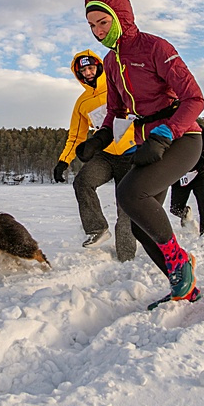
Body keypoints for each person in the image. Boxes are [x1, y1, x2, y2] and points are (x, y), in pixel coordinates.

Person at [77, 0, 204, 308]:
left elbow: (194, 98)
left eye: (102, 22)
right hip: (148, 140)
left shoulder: (155, 48)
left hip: (183, 137)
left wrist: (164, 134)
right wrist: (100, 139)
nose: (97, 31)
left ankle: (180, 264)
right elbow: (116, 112)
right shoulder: (109, 62)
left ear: (120, 17)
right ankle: (184, 288)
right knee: (137, 221)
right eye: (91, 25)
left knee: (130, 193)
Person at [53, 50, 137, 260]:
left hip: (131, 153)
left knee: (125, 205)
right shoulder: (82, 103)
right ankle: (97, 229)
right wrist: (64, 161)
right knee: (82, 182)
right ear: (78, 74)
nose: (88, 73)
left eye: (91, 68)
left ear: (99, 67)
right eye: (83, 70)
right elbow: (76, 136)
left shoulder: (117, 85)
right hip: (106, 155)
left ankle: (126, 257)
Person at [169, 127, 204, 235]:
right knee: (175, 208)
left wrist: (199, 159)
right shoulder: (171, 129)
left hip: (199, 174)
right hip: (179, 176)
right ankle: (185, 213)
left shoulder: (200, 129)